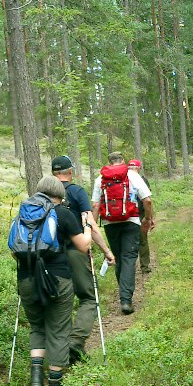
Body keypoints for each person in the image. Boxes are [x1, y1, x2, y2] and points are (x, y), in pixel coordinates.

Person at [14, 175, 92, 386]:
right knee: (58, 331)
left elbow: (15, 250)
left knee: (38, 326)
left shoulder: (23, 214)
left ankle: (37, 376)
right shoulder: (63, 213)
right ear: (59, 194)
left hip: (26, 279)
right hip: (57, 279)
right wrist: (86, 226)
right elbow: (83, 247)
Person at [51, 155, 115, 364]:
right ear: (71, 171)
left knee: (61, 301)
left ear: (53, 172)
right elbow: (90, 224)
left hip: (49, 256)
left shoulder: (43, 194)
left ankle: (61, 352)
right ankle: (76, 343)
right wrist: (106, 250)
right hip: (75, 252)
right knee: (88, 298)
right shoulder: (76, 191)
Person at [92, 152, 154, 315]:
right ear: (123, 161)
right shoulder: (132, 175)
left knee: (119, 257)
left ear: (109, 162)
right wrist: (148, 219)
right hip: (131, 221)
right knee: (128, 258)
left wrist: (91, 228)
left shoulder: (100, 179)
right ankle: (126, 300)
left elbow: (95, 204)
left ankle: (124, 294)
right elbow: (147, 200)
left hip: (110, 224)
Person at [128, 159, 152, 274]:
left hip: (126, 215)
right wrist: (149, 218)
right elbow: (147, 200)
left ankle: (128, 268)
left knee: (128, 241)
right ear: (139, 168)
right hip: (140, 213)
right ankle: (145, 266)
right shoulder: (142, 180)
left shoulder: (123, 179)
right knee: (143, 240)